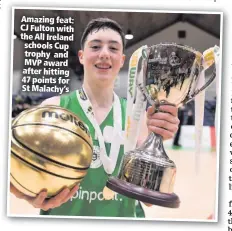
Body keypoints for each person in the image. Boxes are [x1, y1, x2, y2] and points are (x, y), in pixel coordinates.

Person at [10, 18, 180, 217]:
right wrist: (26, 195)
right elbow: (12, 172)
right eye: (96, 46)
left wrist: (158, 141)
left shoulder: (137, 117)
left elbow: (147, 199)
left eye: (113, 48)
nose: (105, 54)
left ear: (122, 60)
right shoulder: (53, 109)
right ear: (81, 56)